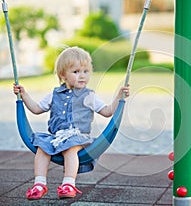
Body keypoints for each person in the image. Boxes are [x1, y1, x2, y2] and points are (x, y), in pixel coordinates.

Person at [13, 46, 130, 200]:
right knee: (42, 148)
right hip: (56, 137)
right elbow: (36, 109)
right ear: (63, 75)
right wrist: (24, 95)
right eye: (76, 72)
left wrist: (119, 98)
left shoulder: (89, 96)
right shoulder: (54, 95)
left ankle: (68, 183)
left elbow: (108, 111)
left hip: (78, 137)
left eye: (85, 71)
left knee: (70, 149)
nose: (82, 76)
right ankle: (39, 184)